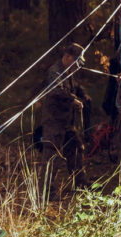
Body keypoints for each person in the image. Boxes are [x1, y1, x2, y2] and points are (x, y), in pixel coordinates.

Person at [41, 42, 91, 188]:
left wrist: (84, 95)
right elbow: (56, 90)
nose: (78, 66)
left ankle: (80, 183)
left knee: (76, 148)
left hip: (67, 122)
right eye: (76, 62)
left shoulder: (68, 71)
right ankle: (47, 191)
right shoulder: (55, 71)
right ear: (67, 57)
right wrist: (73, 100)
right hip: (54, 121)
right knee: (52, 155)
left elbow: (75, 86)